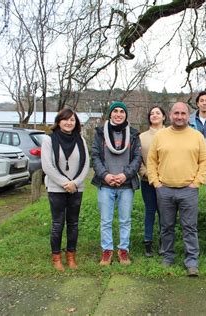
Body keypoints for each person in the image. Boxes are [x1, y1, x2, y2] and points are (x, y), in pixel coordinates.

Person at [147, 102, 206, 276]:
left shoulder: (197, 136)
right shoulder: (160, 136)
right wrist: (156, 182)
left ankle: (192, 261)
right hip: (164, 189)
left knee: (190, 227)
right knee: (166, 226)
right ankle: (168, 257)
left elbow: (204, 161)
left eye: (183, 113)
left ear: (188, 115)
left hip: (188, 190)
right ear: (170, 114)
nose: (180, 116)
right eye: (176, 113)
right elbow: (151, 161)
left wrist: (197, 183)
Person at [91, 101, 141, 266]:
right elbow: (95, 156)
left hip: (125, 185)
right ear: (110, 114)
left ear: (126, 115)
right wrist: (105, 175)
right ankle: (107, 250)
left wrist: (125, 175)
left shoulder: (133, 134)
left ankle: (123, 250)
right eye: (115, 111)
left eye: (122, 111)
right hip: (105, 184)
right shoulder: (100, 133)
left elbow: (137, 159)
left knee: (125, 220)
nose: (118, 114)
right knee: (106, 220)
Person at [41, 108, 90, 272]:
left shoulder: (80, 140)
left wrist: (75, 183)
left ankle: (71, 256)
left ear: (76, 123)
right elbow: (47, 166)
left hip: (76, 188)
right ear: (58, 121)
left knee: (73, 223)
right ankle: (56, 257)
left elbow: (86, 164)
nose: (69, 123)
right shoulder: (49, 140)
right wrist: (65, 183)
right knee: (57, 223)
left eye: (72, 120)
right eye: (65, 119)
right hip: (56, 188)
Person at [139, 106, 166, 257]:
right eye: (152, 113)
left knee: (165, 212)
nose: (155, 115)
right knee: (150, 211)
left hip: (166, 182)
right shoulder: (141, 137)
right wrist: (146, 174)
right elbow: (138, 159)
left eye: (158, 113)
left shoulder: (171, 134)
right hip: (147, 181)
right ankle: (148, 242)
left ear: (164, 117)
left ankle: (164, 242)